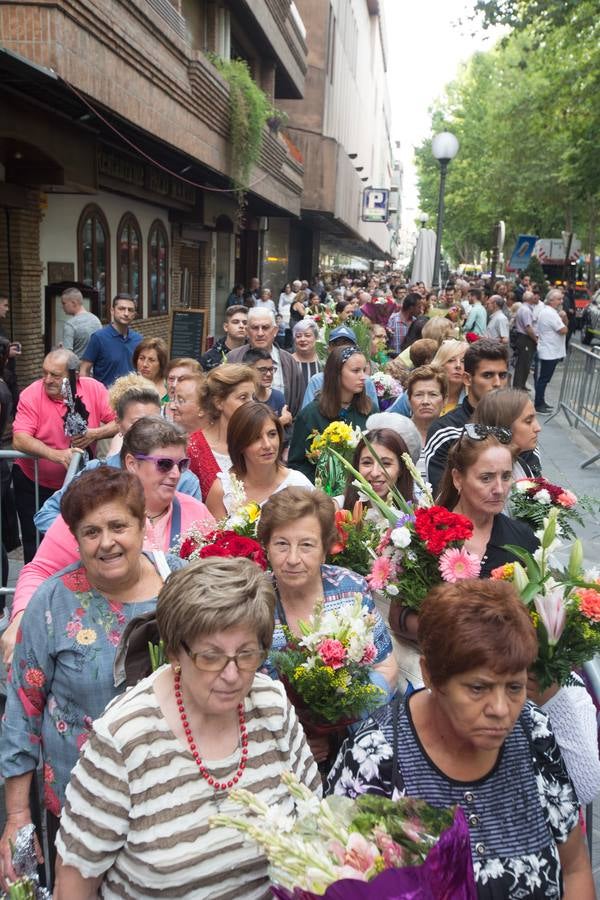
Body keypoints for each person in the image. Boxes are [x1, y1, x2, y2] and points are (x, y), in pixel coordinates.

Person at [53, 557, 320, 898]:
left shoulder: (271, 705)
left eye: (247, 654)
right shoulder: (125, 738)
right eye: (210, 656)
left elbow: (314, 824)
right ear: (176, 653)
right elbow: (75, 882)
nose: (231, 674)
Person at [328, 579, 595, 899]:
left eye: (514, 687)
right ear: (431, 675)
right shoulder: (375, 758)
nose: (500, 710)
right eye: (478, 688)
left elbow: (575, 865)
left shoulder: (533, 730)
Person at [0, 468, 186, 887]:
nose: (106, 542)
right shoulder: (53, 602)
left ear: (143, 524)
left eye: (118, 526)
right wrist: (16, 818)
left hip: (174, 806)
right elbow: (22, 713)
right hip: (78, 813)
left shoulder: (183, 586)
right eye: (90, 531)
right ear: (75, 537)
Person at [8, 417, 214, 637]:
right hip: (96, 635)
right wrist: (21, 618)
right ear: (132, 464)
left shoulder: (196, 511)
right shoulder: (92, 511)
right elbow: (40, 570)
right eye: (164, 464)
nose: (175, 473)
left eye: (182, 465)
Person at [257, 487, 398, 759]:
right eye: (281, 544)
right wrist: (296, 735)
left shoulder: (350, 590)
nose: (293, 559)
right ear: (267, 547)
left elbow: (386, 667)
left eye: (307, 545)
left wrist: (341, 720)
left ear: (324, 550)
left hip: (358, 736)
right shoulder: (253, 602)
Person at [12, 349, 118, 562]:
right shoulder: (32, 394)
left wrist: (93, 434)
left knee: (79, 538)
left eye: (55, 375)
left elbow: (121, 420)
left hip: (79, 484)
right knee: (36, 541)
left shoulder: (93, 389)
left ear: (74, 375)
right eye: (44, 373)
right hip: (34, 483)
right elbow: (19, 439)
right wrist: (57, 455)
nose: (47, 380)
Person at [437, 427, 538, 577]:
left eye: (505, 476)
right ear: (458, 479)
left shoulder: (523, 539)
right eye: (486, 478)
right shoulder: (431, 536)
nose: (499, 489)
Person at [423, 340, 509, 497]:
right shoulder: (445, 431)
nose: (497, 383)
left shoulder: (516, 426)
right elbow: (441, 494)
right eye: (488, 375)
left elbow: (531, 487)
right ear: (468, 379)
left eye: (502, 375)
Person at [205, 402, 313, 518]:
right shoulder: (222, 491)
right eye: (256, 438)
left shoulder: (299, 484)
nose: (267, 445)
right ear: (239, 444)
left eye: (272, 434)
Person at [288, 346, 376, 482]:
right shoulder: (310, 414)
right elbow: (297, 465)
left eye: (364, 370)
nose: (363, 377)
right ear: (336, 373)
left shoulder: (371, 410)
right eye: (356, 371)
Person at [187, 364, 257, 501]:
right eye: (243, 398)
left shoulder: (257, 441)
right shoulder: (192, 448)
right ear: (219, 402)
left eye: (253, 397)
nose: (252, 404)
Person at [226, 308, 304, 417]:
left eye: (265, 327)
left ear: (275, 331)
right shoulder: (233, 359)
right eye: (255, 328)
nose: (260, 333)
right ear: (247, 331)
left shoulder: (289, 362)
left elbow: (297, 405)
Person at [342, 418, 419, 513]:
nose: (375, 473)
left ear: (401, 469)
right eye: (367, 463)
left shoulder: (418, 515)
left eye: (386, 463)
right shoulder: (338, 510)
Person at [301, 325, 379, 409]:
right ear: (329, 349)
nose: (342, 349)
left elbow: (374, 417)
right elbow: (308, 414)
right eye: (337, 345)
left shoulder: (366, 381)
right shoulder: (318, 380)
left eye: (348, 345)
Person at [473, 388, 542, 480]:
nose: (538, 428)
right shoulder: (480, 473)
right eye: (528, 421)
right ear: (504, 426)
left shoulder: (522, 463)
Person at [80, 294, 142, 388]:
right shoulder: (98, 338)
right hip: (105, 398)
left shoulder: (138, 339)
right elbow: (84, 369)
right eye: (121, 309)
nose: (126, 313)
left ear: (134, 314)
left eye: (130, 310)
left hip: (132, 398)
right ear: (112, 311)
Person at [534, 289, 568, 413]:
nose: (561, 301)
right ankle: (538, 404)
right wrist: (563, 319)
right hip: (549, 351)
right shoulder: (550, 313)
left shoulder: (552, 312)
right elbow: (563, 330)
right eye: (559, 299)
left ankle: (541, 401)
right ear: (551, 300)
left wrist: (563, 319)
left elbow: (564, 327)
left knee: (544, 379)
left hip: (551, 350)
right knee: (543, 379)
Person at [200, 304, 248, 371]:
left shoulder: (256, 353)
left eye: (245, 323)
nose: (241, 326)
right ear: (226, 327)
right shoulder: (209, 357)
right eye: (235, 322)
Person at [60, 287, 101, 360]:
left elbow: (67, 356)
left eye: (64, 303)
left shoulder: (70, 325)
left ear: (74, 303)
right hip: (96, 368)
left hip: (78, 369)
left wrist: (61, 350)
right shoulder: (96, 320)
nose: (62, 307)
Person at [430, 339, 466, 414]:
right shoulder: (416, 392)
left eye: (463, 361)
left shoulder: (475, 401)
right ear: (440, 364)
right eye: (451, 360)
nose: (458, 366)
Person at [512, 290, 540, 390]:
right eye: (533, 297)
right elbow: (528, 327)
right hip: (525, 339)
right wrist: (535, 339)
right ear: (530, 299)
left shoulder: (524, 308)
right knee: (523, 363)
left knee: (525, 363)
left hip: (523, 338)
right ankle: (518, 386)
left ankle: (521, 384)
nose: (535, 298)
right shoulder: (526, 310)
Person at [131, 336, 168, 401]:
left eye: (151, 360)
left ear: (161, 364)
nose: (145, 364)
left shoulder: (171, 387)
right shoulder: (128, 386)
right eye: (141, 358)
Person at [291, 319, 322, 389]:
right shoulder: (288, 361)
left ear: (316, 338)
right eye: (298, 336)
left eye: (307, 335)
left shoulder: (323, 361)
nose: (302, 339)